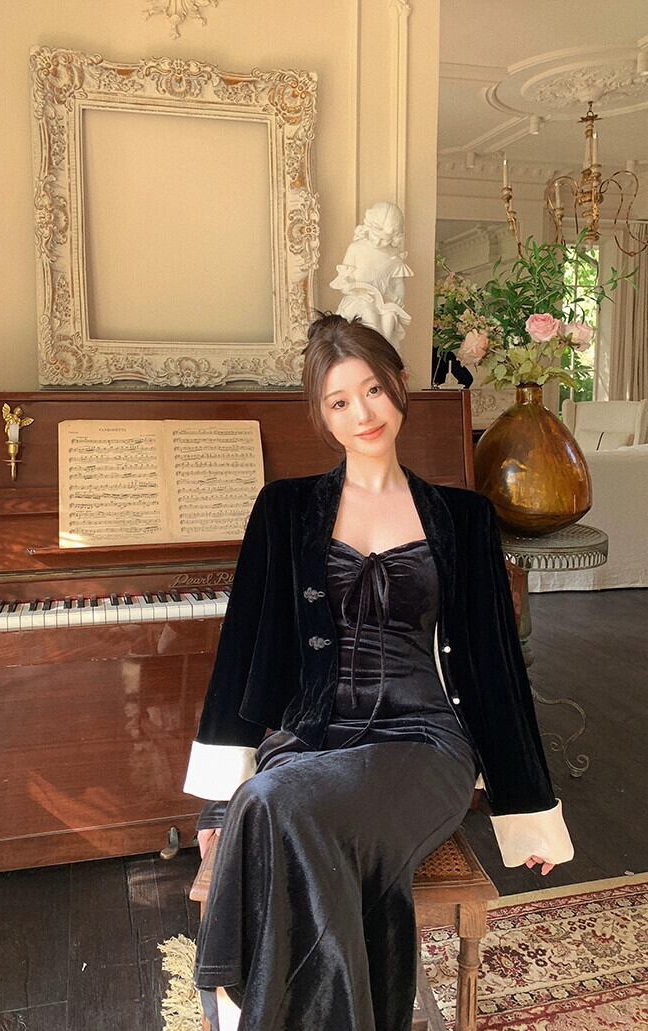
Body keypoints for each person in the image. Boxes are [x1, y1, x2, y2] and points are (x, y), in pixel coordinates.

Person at [183, 313, 574, 1031]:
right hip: (315, 739)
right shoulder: (284, 509)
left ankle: (248, 1009)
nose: (362, 413)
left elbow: (494, 667)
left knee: (271, 804)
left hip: (424, 745)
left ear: (398, 385)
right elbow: (242, 648)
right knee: (271, 799)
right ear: (322, 415)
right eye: (339, 401)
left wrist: (529, 810)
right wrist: (216, 803)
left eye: (371, 389)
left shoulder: (464, 517)